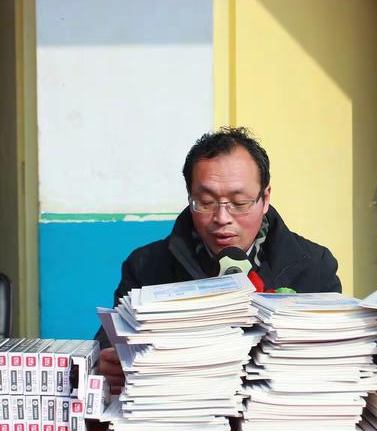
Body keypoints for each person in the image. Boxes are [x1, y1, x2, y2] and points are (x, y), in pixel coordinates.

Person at [95, 127, 341, 387]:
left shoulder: (314, 265)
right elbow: (109, 344)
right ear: (190, 197)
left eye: (239, 202)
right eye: (206, 202)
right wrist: (106, 361)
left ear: (265, 198)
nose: (222, 218)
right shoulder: (147, 266)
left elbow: (336, 356)